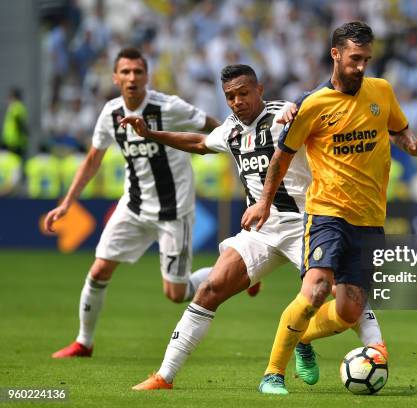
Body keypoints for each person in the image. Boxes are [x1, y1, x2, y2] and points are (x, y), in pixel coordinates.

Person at [124, 64, 386, 391]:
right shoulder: (231, 129)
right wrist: (151, 134)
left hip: (309, 224)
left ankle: (338, 342)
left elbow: (322, 105)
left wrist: (299, 108)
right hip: (260, 231)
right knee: (210, 289)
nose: (237, 101)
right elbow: (200, 142)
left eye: (243, 93)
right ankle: (164, 376)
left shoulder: (285, 116)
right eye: (230, 96)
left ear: (259, 90)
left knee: (337, 292)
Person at [241, 21, 417, 394]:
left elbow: (398, 130)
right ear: (335, 54)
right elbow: (281, 159)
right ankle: (273, 374)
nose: (361, 66)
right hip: (327, 213)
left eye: (366, 58)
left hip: (370, 220)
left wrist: (416, 147)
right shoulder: (313, 104)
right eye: (354, 59)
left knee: (349, 311)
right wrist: (264, 202)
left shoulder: (381, 91)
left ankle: (303, 337)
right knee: (316, 290)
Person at [44, 47, 221, 358]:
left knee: (175, 294)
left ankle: (232, 272)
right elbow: (92, 159)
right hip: (134, 206)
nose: (132, 77)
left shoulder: (168, 106)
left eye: (138, 71)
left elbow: (211, 124)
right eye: (125, 72)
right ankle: (84, 342)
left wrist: (241, 144)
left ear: (146, 76)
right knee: (99, 270)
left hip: (173, 210)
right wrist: (67, 203)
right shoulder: (110, 113)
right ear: (115, 78)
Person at [2, 87, 28, 159]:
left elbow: (20, 123)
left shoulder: (17, 107)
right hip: (11, 140)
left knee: (15, 161)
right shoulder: (14, 107)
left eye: (10, 96)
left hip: (15, 142)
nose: (8, 98)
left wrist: (21, 139)